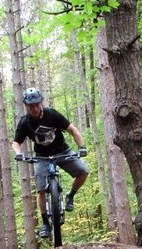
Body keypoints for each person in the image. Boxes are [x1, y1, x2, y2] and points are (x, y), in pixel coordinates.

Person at [12, 87, 90, 238]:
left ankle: (70, 196)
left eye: (36, 104)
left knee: (83, 171)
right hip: (42, 157)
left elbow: (73, 130)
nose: (34, 108)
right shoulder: (24, 123)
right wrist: (19, 154)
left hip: (63, 152)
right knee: (41, 190)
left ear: (41, 103)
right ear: (26, 106)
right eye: (30, 106)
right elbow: (16, 143)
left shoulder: (52, 115)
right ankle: (45, 223)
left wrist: (82, 147)